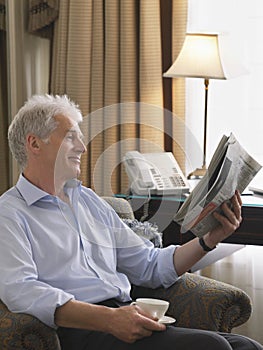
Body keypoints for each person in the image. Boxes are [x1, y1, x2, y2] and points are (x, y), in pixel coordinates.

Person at [0, 94, 261, 350]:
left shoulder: (88, 201)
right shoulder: (10, 213)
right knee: (212, 345)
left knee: (246, 346)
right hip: (78, 329)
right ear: (34, 144)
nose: (82, 146)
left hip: (125, 316)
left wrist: (209, 240)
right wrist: (110, 320)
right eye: (70, 137)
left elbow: (150, 265)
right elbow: (21, 290)